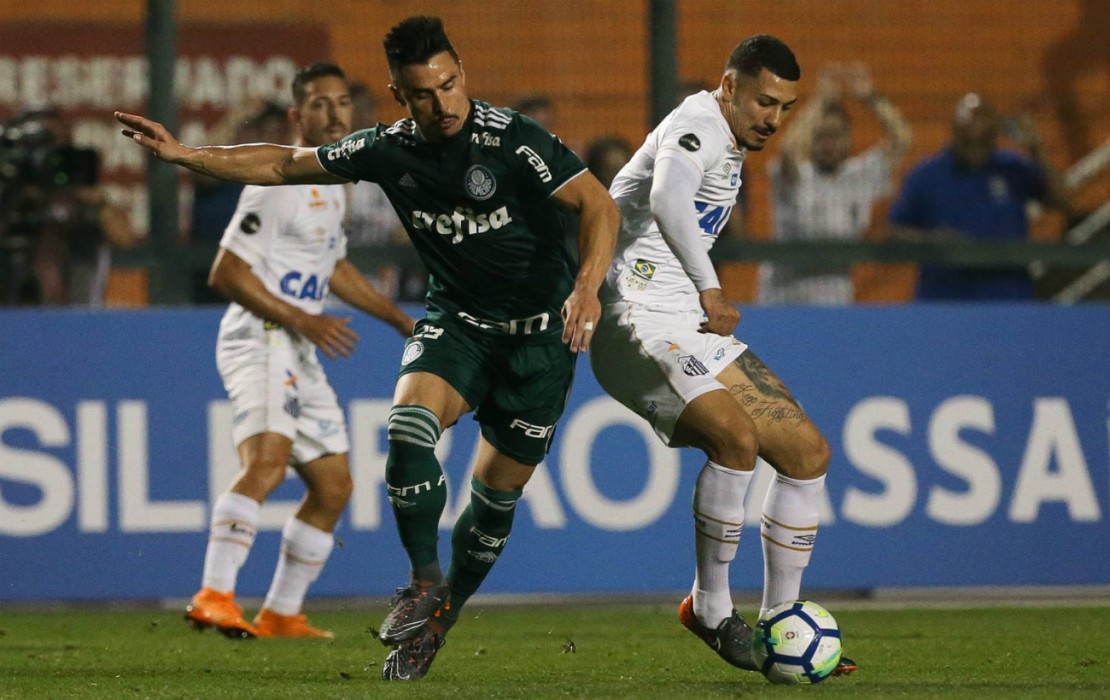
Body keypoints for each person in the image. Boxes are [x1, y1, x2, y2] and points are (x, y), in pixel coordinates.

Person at [116, 15, 618, 680]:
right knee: (407, 428)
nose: (442, 104)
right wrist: (187, 155)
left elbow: (599, 206)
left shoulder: (512, 138)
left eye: (449, 85)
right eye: (423, 95)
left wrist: (586, 289)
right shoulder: (386, 149)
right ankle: (423, 581)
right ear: (399, 95)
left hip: (539, 342)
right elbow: (283, 162)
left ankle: (441, 618)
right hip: (459, 324)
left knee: (495, 505)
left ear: (462, 73)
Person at [588, 35, 856, 677]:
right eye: (764, 102)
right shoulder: (698, 125)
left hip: (688, 323)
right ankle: (709, 607)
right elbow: (666, 199)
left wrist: (699, 297)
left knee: (808, 454)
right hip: (633, 320)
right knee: (735, 438)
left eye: (786, 108)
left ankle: (780, 622)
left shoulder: (732, 141)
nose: (773, 119)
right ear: (730, 85)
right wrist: (711, 287)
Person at [179, 62, 415, 640]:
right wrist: (302, 319)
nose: (334, 114)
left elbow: (332, 266)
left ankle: (281, 613)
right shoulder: (276, 186)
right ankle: (214, 594)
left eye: (342, 102)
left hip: (296, 343)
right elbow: (226, 273)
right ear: (296, 115)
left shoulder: (334, 181)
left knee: (334, 486)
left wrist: (400, 320)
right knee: (266, 463)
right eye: (319, 104)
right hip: (262, 335)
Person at [889, 93, 1072, 300]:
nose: (975, 147)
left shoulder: (1012, 168)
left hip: (1007, 297)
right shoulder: (926, 175)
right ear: (955, 132)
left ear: (994, 135)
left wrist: (1037, 148)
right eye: (968, 138)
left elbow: (1063, 201)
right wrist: (931, 241)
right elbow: (896, 233)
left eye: (983, 139)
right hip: (944, 298)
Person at [760, 62, 911, 304]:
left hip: (835, 295)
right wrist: (819, 102)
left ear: (848, 138)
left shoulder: (859, 176)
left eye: (836, 136)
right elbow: (788, 148)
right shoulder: (796, 174)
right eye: (821, 136)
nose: (828, 144)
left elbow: (901, 140)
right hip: (784, 294)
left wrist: (871, 99)